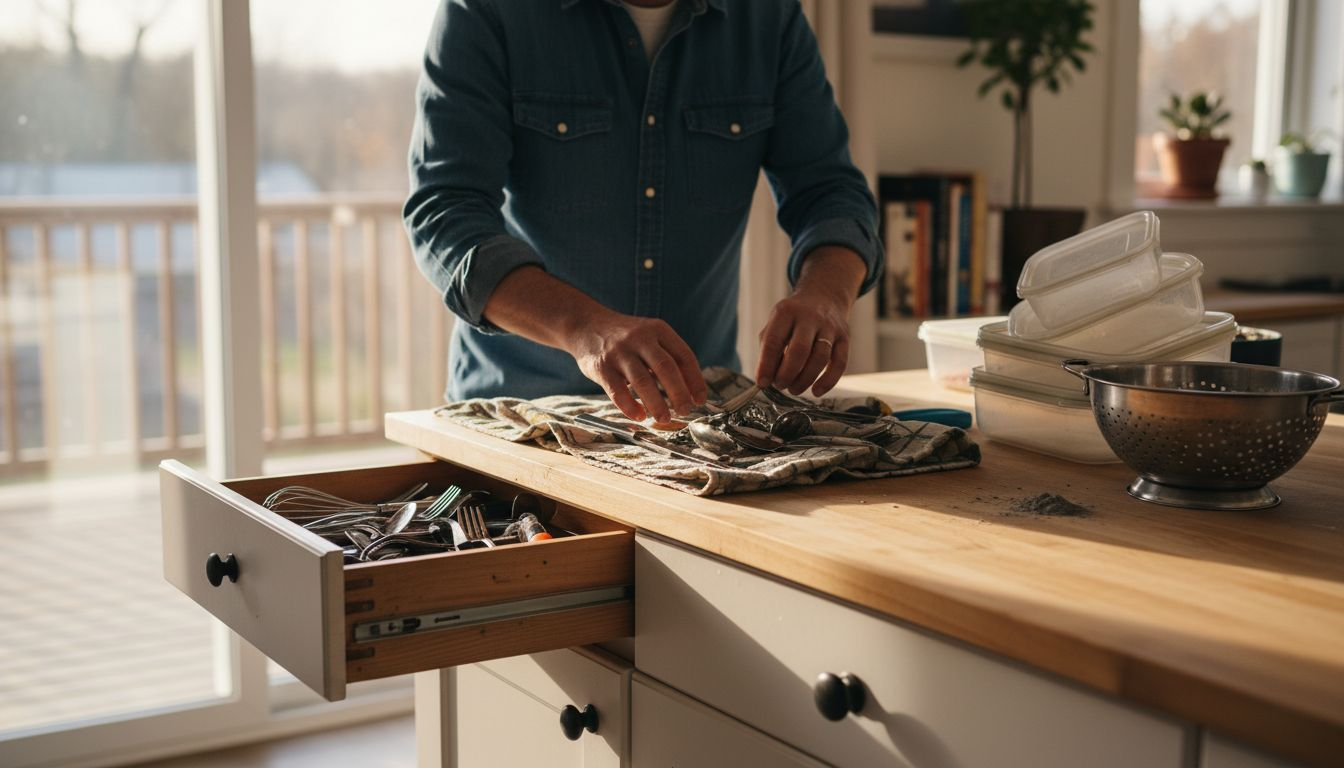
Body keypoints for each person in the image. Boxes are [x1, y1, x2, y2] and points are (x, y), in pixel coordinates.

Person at [404, 0, 882, 424]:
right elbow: (444, 213)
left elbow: (830, 191)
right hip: (518, 417)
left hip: (698, 421)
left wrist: (826, 295)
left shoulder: (769, 17)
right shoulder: (488, 9)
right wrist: (585, 327)